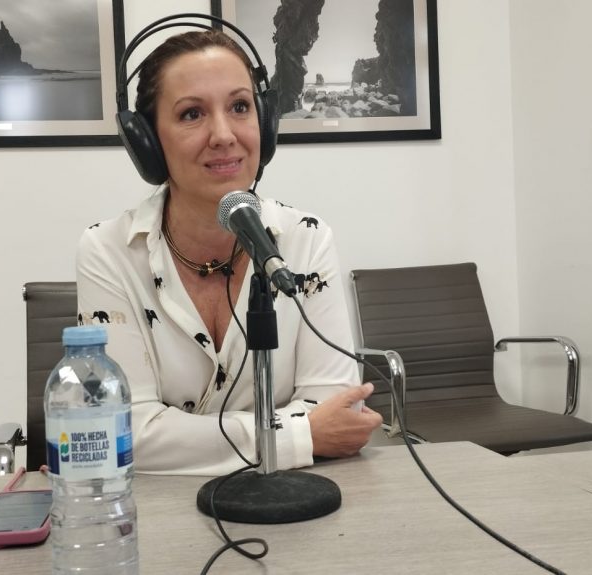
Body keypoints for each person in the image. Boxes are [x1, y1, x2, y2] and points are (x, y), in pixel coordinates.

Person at [76, 29, 382, 475]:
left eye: (240, 107)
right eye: (192, 113)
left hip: (292, 509)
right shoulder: (109, 251)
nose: (223, 135)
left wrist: (184, 440)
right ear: (146, 141)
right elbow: (120, 433)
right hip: (157, 518)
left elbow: (338, 408)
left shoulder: (306, 239)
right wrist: (301, 435)